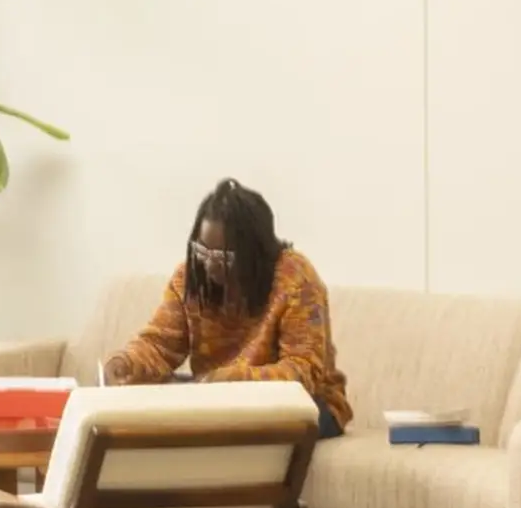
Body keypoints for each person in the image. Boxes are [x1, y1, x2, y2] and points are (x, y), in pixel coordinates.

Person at [103, 179, 351, 434]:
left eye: (224, 257)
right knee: (156, 403)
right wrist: (127, 363)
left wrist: (229, 381)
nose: (210, 265)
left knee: (232, 426)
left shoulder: (296, 278)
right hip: (218, 398)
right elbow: (159, 344)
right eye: (203, 251)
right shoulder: (191, 279)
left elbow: (302, 373)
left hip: (307, 405)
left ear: (254, 252)